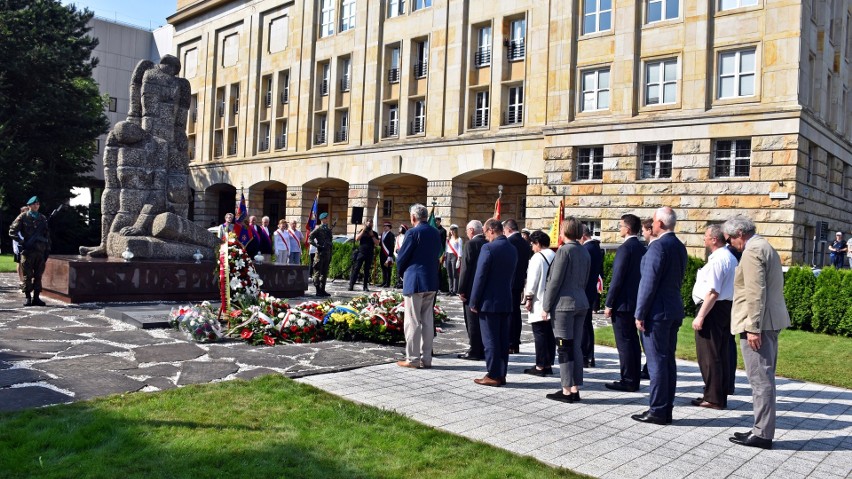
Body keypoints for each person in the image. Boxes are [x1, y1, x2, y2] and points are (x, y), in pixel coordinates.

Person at [725, 216, 790, 450]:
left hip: (759, 325)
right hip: (768, 321)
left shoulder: (753, 251)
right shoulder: (764, 245)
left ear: (740, 233)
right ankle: (760, 428)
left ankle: (762, 434)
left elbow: (755, 292)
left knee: (760, 379)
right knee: (763, 377)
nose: (730, 243)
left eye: (730, 239)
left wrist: (753, 327)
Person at [632, 207, 687, 425]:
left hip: (656, 313)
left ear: (661, 224)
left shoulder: (658, 247)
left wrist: (640, 313)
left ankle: (657, 410)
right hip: (672, 309)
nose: (651, 225)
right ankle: (665, 409)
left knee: (657, 363)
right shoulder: (678, 246)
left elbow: (648, 283)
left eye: (654, 222)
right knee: (667, 362)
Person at [541, 217, 591, 402]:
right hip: (580, 302)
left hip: (564, 306)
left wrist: (546, 306)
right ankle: (575, 387)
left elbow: (554, 281)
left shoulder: (564, 251)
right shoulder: (584, 251)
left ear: (566, 230)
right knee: (575, 346)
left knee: (564, 347)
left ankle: (566, 390)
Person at [691, 225, 737, 410]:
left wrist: (700, 316)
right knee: (720, 352)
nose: (704, 239)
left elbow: (713, 292)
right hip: (724, 308)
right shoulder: (730, 257)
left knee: (709, 354)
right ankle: (716, 393)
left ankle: (713, 398)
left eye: (706, 236)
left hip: (713, 308)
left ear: (714, 239)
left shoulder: (719, 259)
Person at [469, 218, 518, 386]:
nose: (485, 236)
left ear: (491, 230)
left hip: (489, 302)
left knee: (490, 340)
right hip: (506, 300)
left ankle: (493, 374)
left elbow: (480, 276)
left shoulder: (488, 248)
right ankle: (501, 373)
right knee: (503, 340)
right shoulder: (512, 249)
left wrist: (474, 301)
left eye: (485, 232)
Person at [395, 204, 442, 369]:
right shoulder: (435, 232)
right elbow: (437, 253)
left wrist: (400, 273)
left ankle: (413, 359)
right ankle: (427, 359)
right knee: (428, 321)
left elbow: (401, 258)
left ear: (413, 218)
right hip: (431, 280)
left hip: (415, 280)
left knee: (413, 321)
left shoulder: (412, 232)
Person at [603, 214, 645, 392]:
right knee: (633, 342)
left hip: (622, 304)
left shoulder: (625, 249)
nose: (618, 228)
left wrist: (609, 303)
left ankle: (628, 379)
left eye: (620, 226)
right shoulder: (643, 248)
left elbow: (617, 279)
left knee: (624, 343)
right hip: (637, 302)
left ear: (627, 229)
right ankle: (634, 377)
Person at [523, 230, 556, 376]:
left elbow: (532, 280)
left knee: (540, 334)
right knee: (549, 334)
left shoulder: (537, 257)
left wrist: (528, 298)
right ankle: (548, 364)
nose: (531, 247)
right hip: (552, 300)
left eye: (532, 244)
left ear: (537, 243)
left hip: (539, 299)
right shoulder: (554, 255)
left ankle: (540, 366)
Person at [9, 196, 51, 307]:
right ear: (29, 205)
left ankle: (36, 298)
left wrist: (47, 249)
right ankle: (28, 298)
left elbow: (47, 235)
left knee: (38, 275)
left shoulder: (42, 218)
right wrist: (21, 241)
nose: (36, 206)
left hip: (40, 252)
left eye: (38, 204)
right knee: (27, 276)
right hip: (28, 251)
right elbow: (12, 231)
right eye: (34, 204)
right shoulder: (23, 217)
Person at [457, 220, 487, 361]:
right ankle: (482, 348)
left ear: (471, 230)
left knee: (471, 321)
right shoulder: (488, 242)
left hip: (470, 288)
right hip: (485, 287)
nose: (466, 233)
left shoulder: (471, 244)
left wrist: (461, 289)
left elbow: (465, 268)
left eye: (467, 230)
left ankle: (474, 350)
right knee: (481, 320)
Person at [504, 219, 531, 354]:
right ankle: (515, 342)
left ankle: (509, 342)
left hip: (509, 282)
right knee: (516, 313)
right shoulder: (525, 243)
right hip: (519, 281)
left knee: (509, 313)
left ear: (508, 229)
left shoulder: (509, 242)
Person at [580, 225, 603, 367]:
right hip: (590, 291)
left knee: (583, 325)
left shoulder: (587, 249)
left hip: (585, 291)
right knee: (587, 324)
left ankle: (585, 355)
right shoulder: (595, 248)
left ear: (583, 236)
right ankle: (589, 356)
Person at [349, 218, 379, 291]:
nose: (370, 224)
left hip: (369, 253)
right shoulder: (362, 231)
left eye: (371, 222)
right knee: (356, 269)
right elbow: (357, 239)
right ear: (365, 223)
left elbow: (377, 243)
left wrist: (372, 235)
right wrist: (363, 230)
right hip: (361, 253)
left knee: (367, 270)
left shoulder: (374, 233)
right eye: (368, 222)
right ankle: (351, 285)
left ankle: (365, 286)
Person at [309, 212, 333, 297]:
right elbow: (310, 238)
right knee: (317, 272)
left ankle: (323, 289)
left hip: (327, 253)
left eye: (327, 218)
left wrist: (330, 252)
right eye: (325, 218)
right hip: (320, 254)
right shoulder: (318, 229)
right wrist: (318, 246)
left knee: (324, 272)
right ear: (322, 219)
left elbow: (330, 241)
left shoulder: (328, 229)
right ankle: (317, 290)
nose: (327, 220)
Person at [444, 224, 462, 295]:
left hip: (454, 256)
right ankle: (450, 290)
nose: (451, 231)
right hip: (448, 255)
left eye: (453, 230)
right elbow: (446, 249)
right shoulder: (448, 239)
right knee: (449, 274)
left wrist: (459, 259)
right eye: (451, 230)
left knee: (455, 274)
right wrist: (445, 258)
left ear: (455, 230)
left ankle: (454, 290)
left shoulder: (459, 239)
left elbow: (460, 249)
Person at [12, 206, 28, 283]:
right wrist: (16, 247)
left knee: (27, 263)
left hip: (27, 245)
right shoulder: (17, 221)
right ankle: (21, 279)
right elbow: (14, 234)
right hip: (18, 245)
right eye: (25, 211)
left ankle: (26, 279)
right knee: (20, 263)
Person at [379, 222, 396, 287]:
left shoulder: (391, 235)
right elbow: (381, 244)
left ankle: (387, 283)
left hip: (388, 254)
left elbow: (392, 245)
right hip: (382, 253)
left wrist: (390, 256)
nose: (385, 227)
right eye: (384, 226)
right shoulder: (382, 234)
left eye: (386, 226)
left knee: (388, 269)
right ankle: (384, 281)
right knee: (383, 268)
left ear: (389, 227)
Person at [394, 224, 407, 288]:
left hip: (403, 254)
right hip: (398, 254)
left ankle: (403, 283)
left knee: (403, 269)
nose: (399, 228)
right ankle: (398, 282)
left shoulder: (406, 237)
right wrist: (395, 252)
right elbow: (396, 245)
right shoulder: (398, 237)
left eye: (400, 227)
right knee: (398, 269)